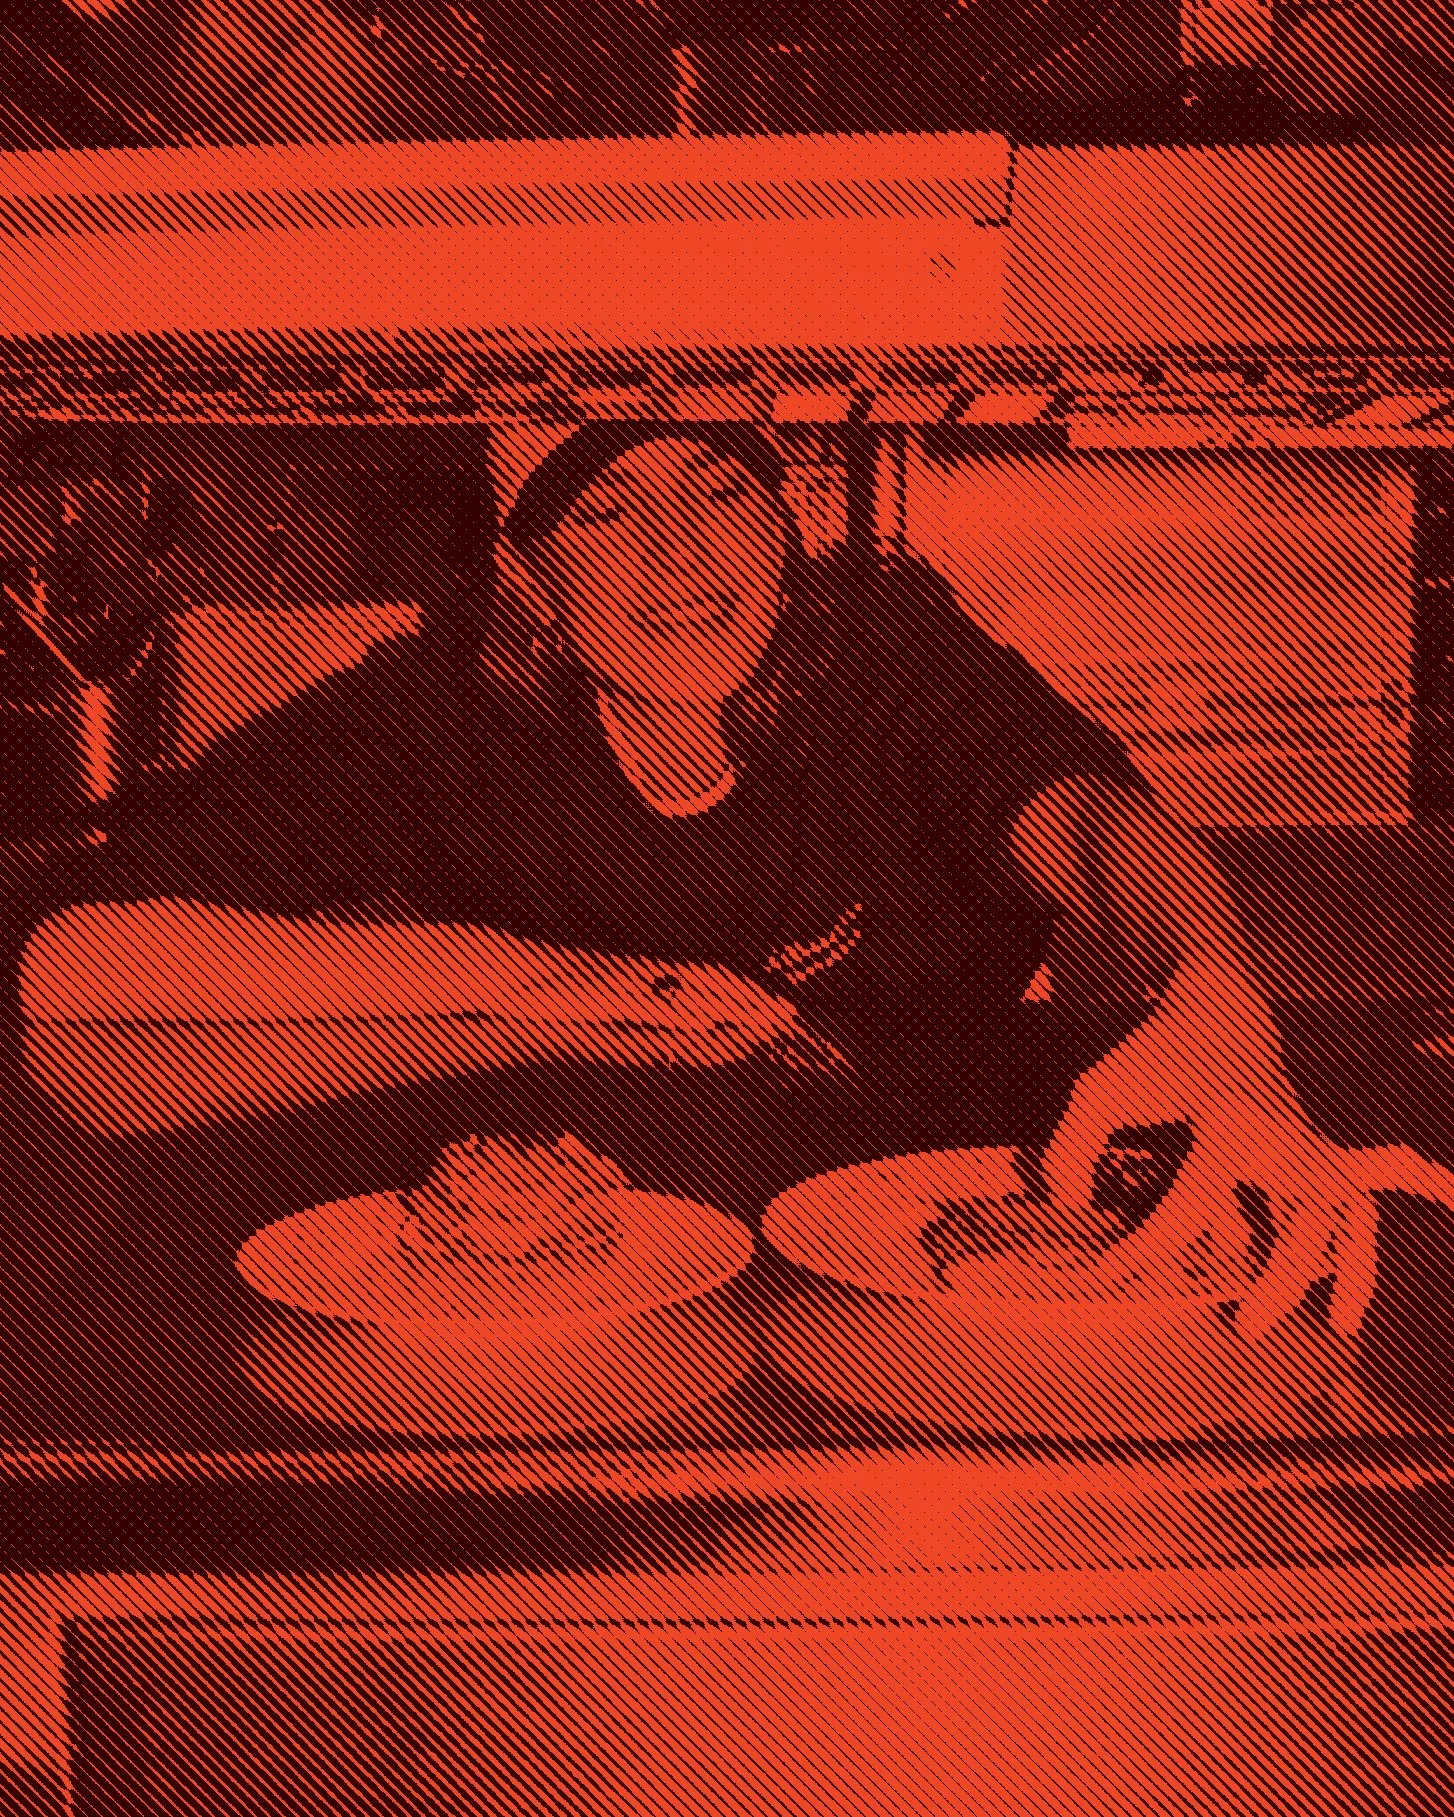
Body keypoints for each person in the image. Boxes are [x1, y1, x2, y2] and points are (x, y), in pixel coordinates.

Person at [21, 421, 1373, 1349]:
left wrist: (1214, 990)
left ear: (781, 524)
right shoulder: (439, 716)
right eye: (604, 513)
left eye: (722, 489)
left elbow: (1085, 822)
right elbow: (80, 964)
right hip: (569, 1306)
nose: (681, 554)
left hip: (938, 1267)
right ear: (521, 574)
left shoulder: (886, 660)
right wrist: (526, 979)